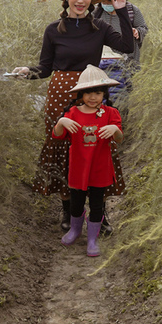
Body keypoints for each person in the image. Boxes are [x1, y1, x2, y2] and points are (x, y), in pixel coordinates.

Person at [12, 0, 134, 234]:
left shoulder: (100, 27)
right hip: (60, 94)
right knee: (65, 151)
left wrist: (122, 10)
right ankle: (69, 211)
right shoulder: (53, 30)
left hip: (93, 91)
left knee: (97, 149)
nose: (80, 0)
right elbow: (45, 68)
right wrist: (26, 72)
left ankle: (98, 214)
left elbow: (127, 46)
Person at [53, 65, 123, 257]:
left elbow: (119, 138)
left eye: (98, 93)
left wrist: (114, 130)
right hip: (78, 167)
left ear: (104, 94)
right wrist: (61, 122)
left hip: (100, 167)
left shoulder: (110, 113)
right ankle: (75, 230)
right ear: (81, 94)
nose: (93, 98)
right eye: (89, 93)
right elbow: (57, 136)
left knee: (97, 203)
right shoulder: (73, 113)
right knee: (76, 202)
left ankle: (92, 238)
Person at [94, 0, 148, 103]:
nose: (108, 3)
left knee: (125, 93)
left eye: (111, 0)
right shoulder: (96, 14)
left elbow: (143, 27)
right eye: (105, 0)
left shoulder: (131, 11)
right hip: (103, 63)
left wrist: (137, 32)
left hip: (128, 59)